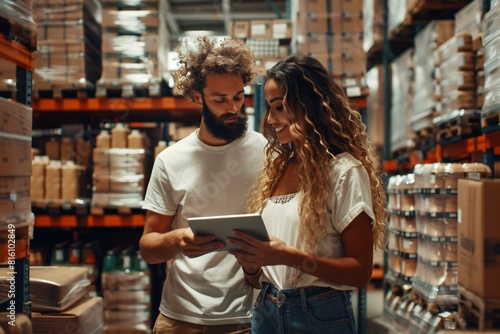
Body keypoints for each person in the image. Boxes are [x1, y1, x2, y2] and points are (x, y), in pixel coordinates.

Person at [228, 54, 387, 333]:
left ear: (310, 107)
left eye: (280, 107)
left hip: (317, 314)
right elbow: (259, 276)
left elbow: (360, 272)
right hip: (266, 308)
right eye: (268, 107)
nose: (270, 119)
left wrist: (288, 256)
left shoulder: (344, 172)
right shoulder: (275, 172)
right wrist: (251, 263)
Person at [139, 36, 267, 334]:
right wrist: (177, 240)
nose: (233, 107)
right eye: (220, 99)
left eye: (238, 96)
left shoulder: (265, 153)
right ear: (198, 98)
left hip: (246, 317)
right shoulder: (171, 160)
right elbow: (148, 247)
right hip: (180, 317)